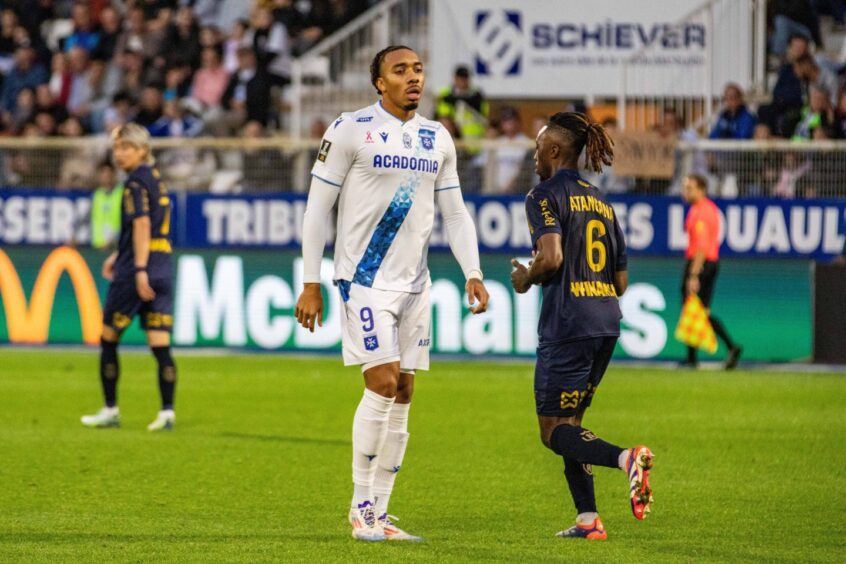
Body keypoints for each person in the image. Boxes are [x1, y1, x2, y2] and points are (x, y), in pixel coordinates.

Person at [295, 45, 489, 542]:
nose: (413, 78)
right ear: (379, 81)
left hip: (415, 285)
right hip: (363, 280)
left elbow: (455, 212)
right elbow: (318, 209)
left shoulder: (437, 137)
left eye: (419, 69)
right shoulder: (349, 128)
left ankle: (381, 513)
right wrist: (310, 281)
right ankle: (360, 507)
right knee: (380, 382)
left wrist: (473, 270)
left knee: (404, 390)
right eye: (400, 70)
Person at [510, 112, 654, 540]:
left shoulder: (543, 195)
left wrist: (527, 277)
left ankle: (627, 459)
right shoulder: (602, 201)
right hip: (606, 321)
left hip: (569, 324)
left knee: (553, 432)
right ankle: (588, 519)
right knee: (572, 425)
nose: (535, 156)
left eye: (538, 148)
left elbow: (550, 258)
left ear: (554, 151)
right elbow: (622, 281)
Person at [81, 123, 177, 432]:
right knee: (160, 345)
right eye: (117, 148)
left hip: (137, 272)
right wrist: (118, 254)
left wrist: (136, 269)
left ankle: (110, 409)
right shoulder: (157, 181)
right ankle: (167, 412)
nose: (119, 154)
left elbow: (141, 226)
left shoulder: (134, 184)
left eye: (126, 148)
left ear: (142, 150)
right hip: (162, 267)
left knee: (108, 340)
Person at [680, 174, 742, 369]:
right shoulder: (704, 209)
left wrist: (694, 274)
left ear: (701, 189)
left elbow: (701, 246)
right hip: (707, 263)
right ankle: (728, 348)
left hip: (701, 264)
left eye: (689, 188)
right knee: (698, 311)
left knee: (694, 309)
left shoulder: (702, 212)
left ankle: (694, 358)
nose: (685, 191)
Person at [90, 161, 123, 250]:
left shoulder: (121, 193)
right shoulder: (97, 195)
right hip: (98, 246)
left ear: (113, 174)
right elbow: (88, 217)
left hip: (116, 246)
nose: (105, 176)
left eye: (108, 173)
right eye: (103, 173)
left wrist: (113, 238)